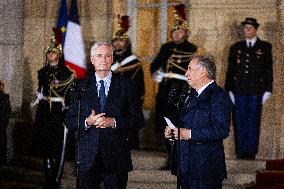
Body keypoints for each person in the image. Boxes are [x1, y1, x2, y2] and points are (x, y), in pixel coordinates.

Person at [64, 41, 144, 189]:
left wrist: (113, 122)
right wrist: (87, 121)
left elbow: (138, 121)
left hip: (116, 156)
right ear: (92, 60)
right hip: (87, 157)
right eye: (99, 56)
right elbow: (69, 121)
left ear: (112, 59)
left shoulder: (127, 85)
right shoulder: (80, 86)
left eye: (108, 56)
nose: (104, 59)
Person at [164, 55, 233, 189]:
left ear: (202, 72)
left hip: (205, 169)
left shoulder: (218, 96)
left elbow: (221, 130)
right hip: (186, 167)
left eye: (190, 69)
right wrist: (174, 133)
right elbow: (188, 125)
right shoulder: (192, 95)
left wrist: (189, 134)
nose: (186, 73)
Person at [150, 4, 198, 169]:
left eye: (179, 31)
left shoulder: (192, 49)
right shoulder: (166, 47)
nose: (176, 34)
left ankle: (179, 158)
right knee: (166, 123)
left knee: (180, 123)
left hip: (183, 89)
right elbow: (155, 65)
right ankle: (170, 157)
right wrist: (157, 73)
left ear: (185, 33)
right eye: (174, 32)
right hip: (166, 89)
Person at [32, 28, 75, 189]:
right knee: (46, 145)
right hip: (45, 110)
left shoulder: (66, 74)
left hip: (59, 111)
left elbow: (69, 95)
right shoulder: (42, 72)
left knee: (58, 146)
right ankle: (48, 177)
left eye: (53, 52)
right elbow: (42, 90)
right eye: (48, 52)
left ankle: (55, 179)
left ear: (59, 54)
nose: (50, 54)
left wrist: (68, 111)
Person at [225, 17, 273, 160]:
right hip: (239, 90)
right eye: (245, 28)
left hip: (256, 90)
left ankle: (250, 151)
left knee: (253, 120)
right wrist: (229, 90)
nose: (247, 31)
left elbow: (268, 70)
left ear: (255, 30)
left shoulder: (264, 47)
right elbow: (231, 70)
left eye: (249, 28)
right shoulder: (236, 48)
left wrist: (268, 90)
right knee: (239, 121)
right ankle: (241, 151)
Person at [111, 15, 145, 149]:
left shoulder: (132, 60)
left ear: (127, 43)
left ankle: (132, 143)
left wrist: (139, 94)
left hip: (128, 95)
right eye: (115, 41)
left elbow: (138, 80)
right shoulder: (109, 57)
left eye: (121, 41)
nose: (118, 43)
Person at [0, 80, 11, 167]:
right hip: (2, 124)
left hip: (2, 124)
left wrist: (4, 122)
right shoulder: (5, 97)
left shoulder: (4, 97)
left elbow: (7, 111)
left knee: (2, 142)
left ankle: (3, 160)